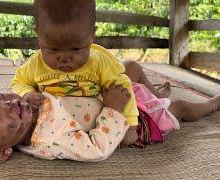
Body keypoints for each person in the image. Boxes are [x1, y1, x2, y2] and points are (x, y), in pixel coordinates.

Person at [0, 81, 220, 165]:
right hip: (130, 121)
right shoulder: (50, 141)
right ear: (1, 153)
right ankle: (215, 103)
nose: (7, 103)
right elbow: (97, 148)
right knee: (180, 108)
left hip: (110, 96)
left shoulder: (29, 105)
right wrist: (114, 109)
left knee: (131, 69)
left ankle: (153, 91)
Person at [11, 0, 140, 146]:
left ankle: (166, 102)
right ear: (39, 35)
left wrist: (130, 125)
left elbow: (122, 89)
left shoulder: (99, 63)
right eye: (53, 49)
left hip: (98, 125)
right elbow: (19, 81)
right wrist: (26, 93)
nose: (65, 58)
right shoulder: (35, 63)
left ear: (92, 36)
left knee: (156, 113)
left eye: (76, 49)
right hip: (58, 129)